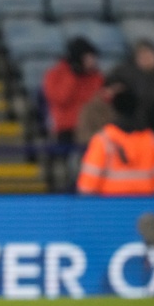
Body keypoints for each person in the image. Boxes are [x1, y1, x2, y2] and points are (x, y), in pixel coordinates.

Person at [76, 88, 154, 195]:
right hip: (145, 202)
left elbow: (88, 183)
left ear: (114, 110)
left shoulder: (103, 139)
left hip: (110, 202)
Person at [42, 36, 104, 191]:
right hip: (66, 129)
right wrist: (73, 76)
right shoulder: (56, 74)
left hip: (91, 129)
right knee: (65, 167)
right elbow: (60, 98)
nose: (93, 61)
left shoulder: (96, 76)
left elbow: (99, 101)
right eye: (89, 57)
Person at [106, 39, 154, 129]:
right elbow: (110, 86)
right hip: (129, 124)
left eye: (148, 54)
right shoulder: (125, 73)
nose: (146, 58)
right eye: (141, 55)